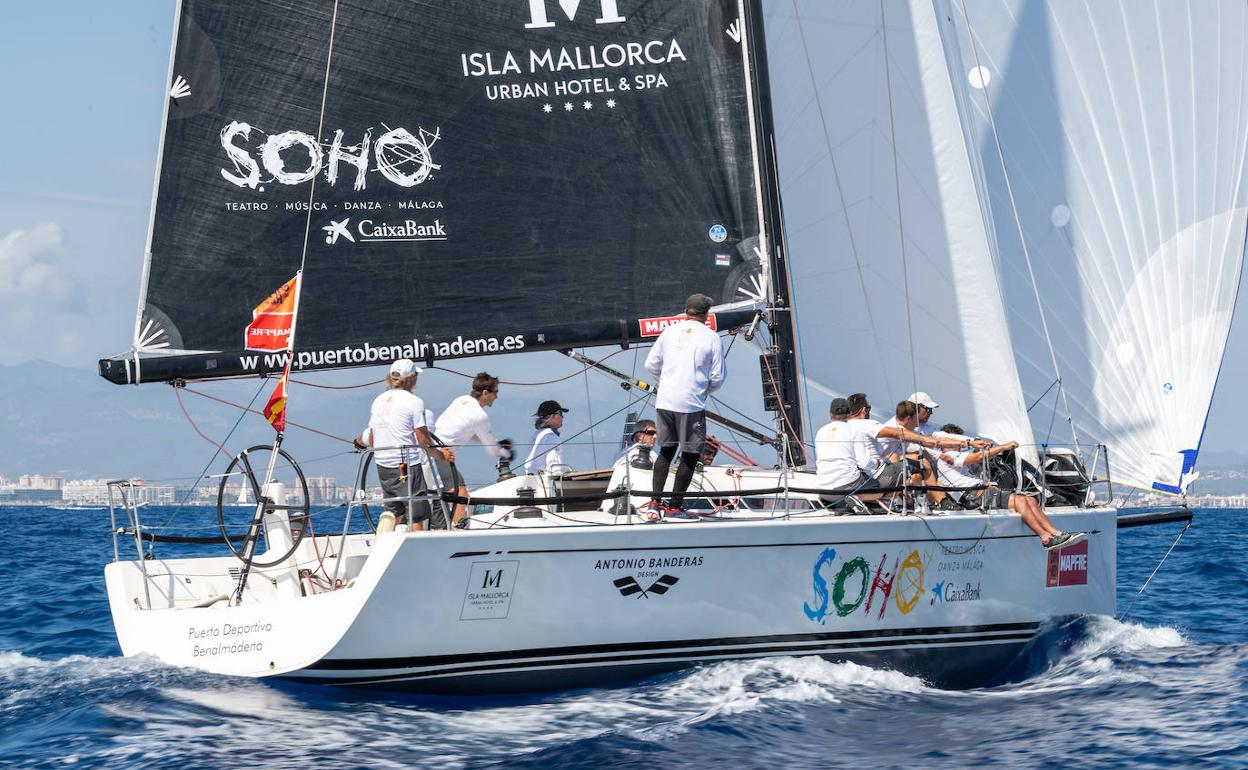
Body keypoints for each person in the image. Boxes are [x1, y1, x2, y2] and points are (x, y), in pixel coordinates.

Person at [933, 423, 1084, 550]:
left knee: (1030, 500)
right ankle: (1045, 538)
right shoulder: (948, 457)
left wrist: (988, 449)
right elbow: (978, 457)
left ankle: (1056, 533)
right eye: (954, 441)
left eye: (959, 442)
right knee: (1020, 502)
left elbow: (979, 457)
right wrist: (1003, 447)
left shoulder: (956, 456)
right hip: (974, 497)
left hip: (982, 493)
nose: (958, 446)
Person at [643, 293, 727, 519]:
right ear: (706, 314)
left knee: (666, 451)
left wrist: (663, 381)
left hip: (665, 401)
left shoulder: (669, 331)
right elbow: (718, 377)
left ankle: (654, 504)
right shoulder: (711, 337)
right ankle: (674, 507)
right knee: (690, 455)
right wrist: (703, 391)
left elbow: (650, 364)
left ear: (686, 311)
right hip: (691, 404)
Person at [356, 359, 447, 534]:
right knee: (416, 514)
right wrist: (441, 455)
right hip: (406, 467)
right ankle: (419, 553)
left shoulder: (378, 400)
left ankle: (384, 538)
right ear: (411, 379)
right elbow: (423, 441)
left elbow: (372, 437)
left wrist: (358, 442)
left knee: (394, 510)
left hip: (382, 465)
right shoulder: (414, 401)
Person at [845, 393, 982, 504]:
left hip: (873, 472)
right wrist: (958, 447)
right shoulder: (892, 428)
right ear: (914, 412)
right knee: (921, 459)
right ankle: (940, 501)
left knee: (925, 475)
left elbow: (939, 437)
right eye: (928, 409)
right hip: (878, 473)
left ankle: (945, 500)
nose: (931, 413)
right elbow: (929, 443)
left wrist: (969, 442)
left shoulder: (846, 427)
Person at [434, 372, 513, 526]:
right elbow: (491, 450)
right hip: (441, 455)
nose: (496, 397)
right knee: (461, 494)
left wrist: (496, 443)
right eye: (495, 392)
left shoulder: (461, 400)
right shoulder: (479, 415)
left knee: (443, 495)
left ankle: (445, 526)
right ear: (485, 393)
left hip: (430, 450)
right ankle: (455, 530)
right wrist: (506, 453)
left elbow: (469, 432)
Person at [525, 400, 571, 475]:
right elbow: (555, 468)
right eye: (560, 413)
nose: (563, 417)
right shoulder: (551, 437)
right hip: (545, 482)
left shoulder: (536, 435)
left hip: (532, 478)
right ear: (552, 416)